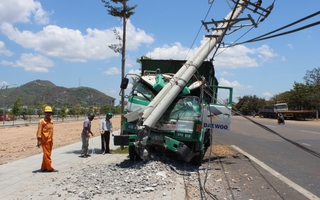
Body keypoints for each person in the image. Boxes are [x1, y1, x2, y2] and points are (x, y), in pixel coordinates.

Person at [36, 106, 58, 172]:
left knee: (47, 154)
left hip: (50, 140)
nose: (48, 114)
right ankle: (49, 168)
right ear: (44, 113)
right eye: (47, 112)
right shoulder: (42, 121)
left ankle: (44, 167)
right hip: (44, 141)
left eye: (49, 112)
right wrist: (39, 140)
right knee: (47, 154)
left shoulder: (51, 121)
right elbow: (39, 131)